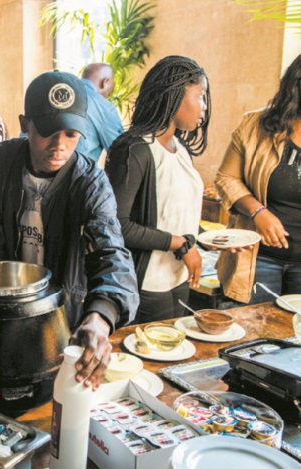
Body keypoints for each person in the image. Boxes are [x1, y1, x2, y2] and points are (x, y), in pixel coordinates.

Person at [0, 71, 138, 389]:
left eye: (72, 134)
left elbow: (112, 254)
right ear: (25, 123)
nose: (59, 145)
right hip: (3, 318)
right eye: (48, 132)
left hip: (63, 324)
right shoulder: (0, 163)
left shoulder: (90, 184)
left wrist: (101, 315)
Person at [105, 56, 211, 323]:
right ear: (174, 95)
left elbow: (177, 213)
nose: (205, 107)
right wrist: (180, 244)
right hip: (147, 286)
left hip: (179, 278)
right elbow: (117, 226)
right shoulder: (135, 150)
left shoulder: (181, 148)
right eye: (200, 96)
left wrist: (210, 241)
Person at [215, 53, 301, 304]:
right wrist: (258, 212)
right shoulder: (255, 125)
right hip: (257, 258)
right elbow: (226, 178)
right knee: (250, 334)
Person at [76, 63, 125, 164]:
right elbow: (121, 152)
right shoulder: (104, 107)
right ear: (105, 82)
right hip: (77, 176)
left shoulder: (63, 93)